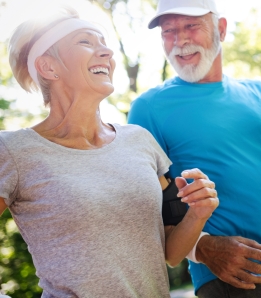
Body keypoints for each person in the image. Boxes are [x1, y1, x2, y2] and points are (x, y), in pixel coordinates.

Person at [1, 7, 219, 297]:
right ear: (48, 66)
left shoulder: (140, 141)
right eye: (86, 42)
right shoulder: (14, 151)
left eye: (104, 43)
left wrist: (198, 215)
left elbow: (170, 252)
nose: (106, 52)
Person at [128, 0, 261, 297]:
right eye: (169, 31)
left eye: (191, 26)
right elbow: (148, 215)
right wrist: (204, 249)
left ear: (221, 29)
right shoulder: (148, 109)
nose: (181, 40)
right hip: (228, 276)